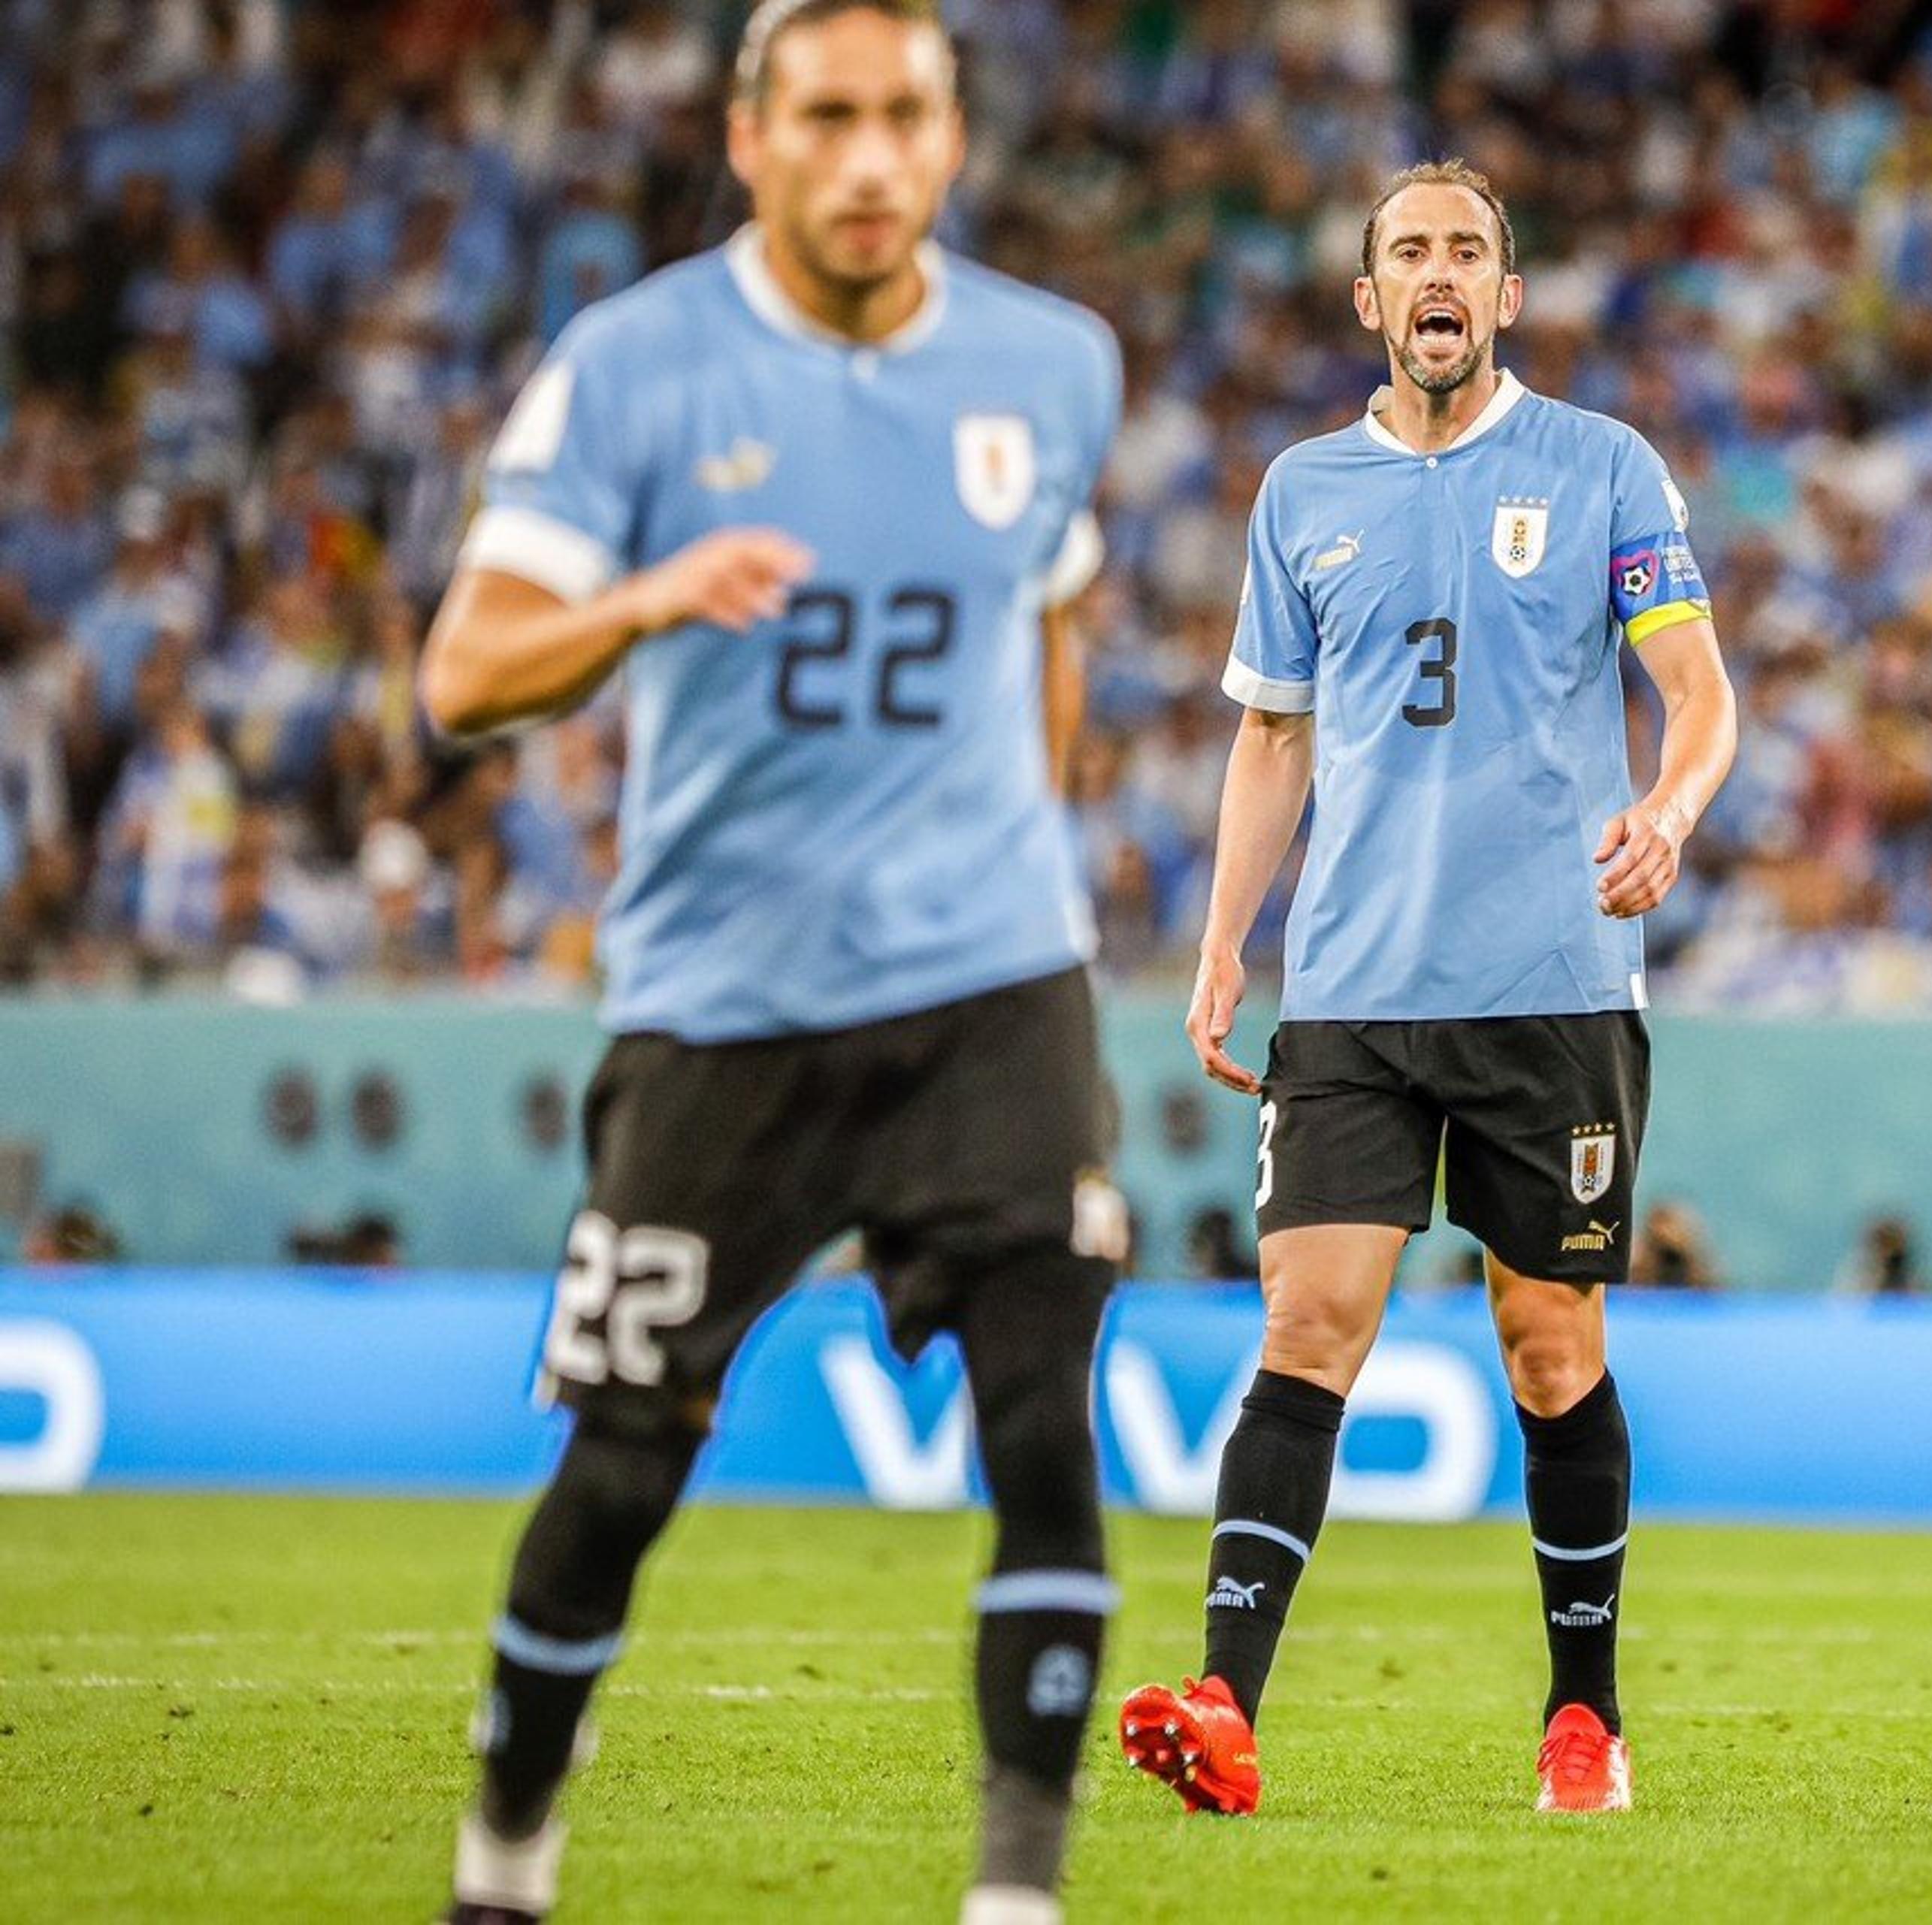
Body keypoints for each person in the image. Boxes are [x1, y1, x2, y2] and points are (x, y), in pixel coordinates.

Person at [418, 7, 1126, 1922]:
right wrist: (648, 594)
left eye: (905, 116)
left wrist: (1019, 844)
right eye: (828, 118)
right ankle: (504, 1864)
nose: (871, 158)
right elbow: (463, 673)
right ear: (750, 138)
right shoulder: (634, 369)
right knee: (624, 1475)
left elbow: (1049, 613)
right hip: (726, 1006)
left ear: (955, 134)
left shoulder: (1052, 369)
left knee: (1051, 1432)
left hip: (992, 985)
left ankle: (1015, 1897)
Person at [1117, 160, 1736, 1821]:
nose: (1441, 272)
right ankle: (1227, 1708)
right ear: (1373, 300)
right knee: (1308, 1323)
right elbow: (1271, 734)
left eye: (1470, 248)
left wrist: (1667, 815)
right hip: (1354, 999)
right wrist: (1223, 940)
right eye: (1411, 252)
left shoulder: (1604, 468)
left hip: (1555, 990)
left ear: (1507, 296)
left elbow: (1697, 691)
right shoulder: (1302, 489)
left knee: (1548, 1343)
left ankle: (1583, 1721)